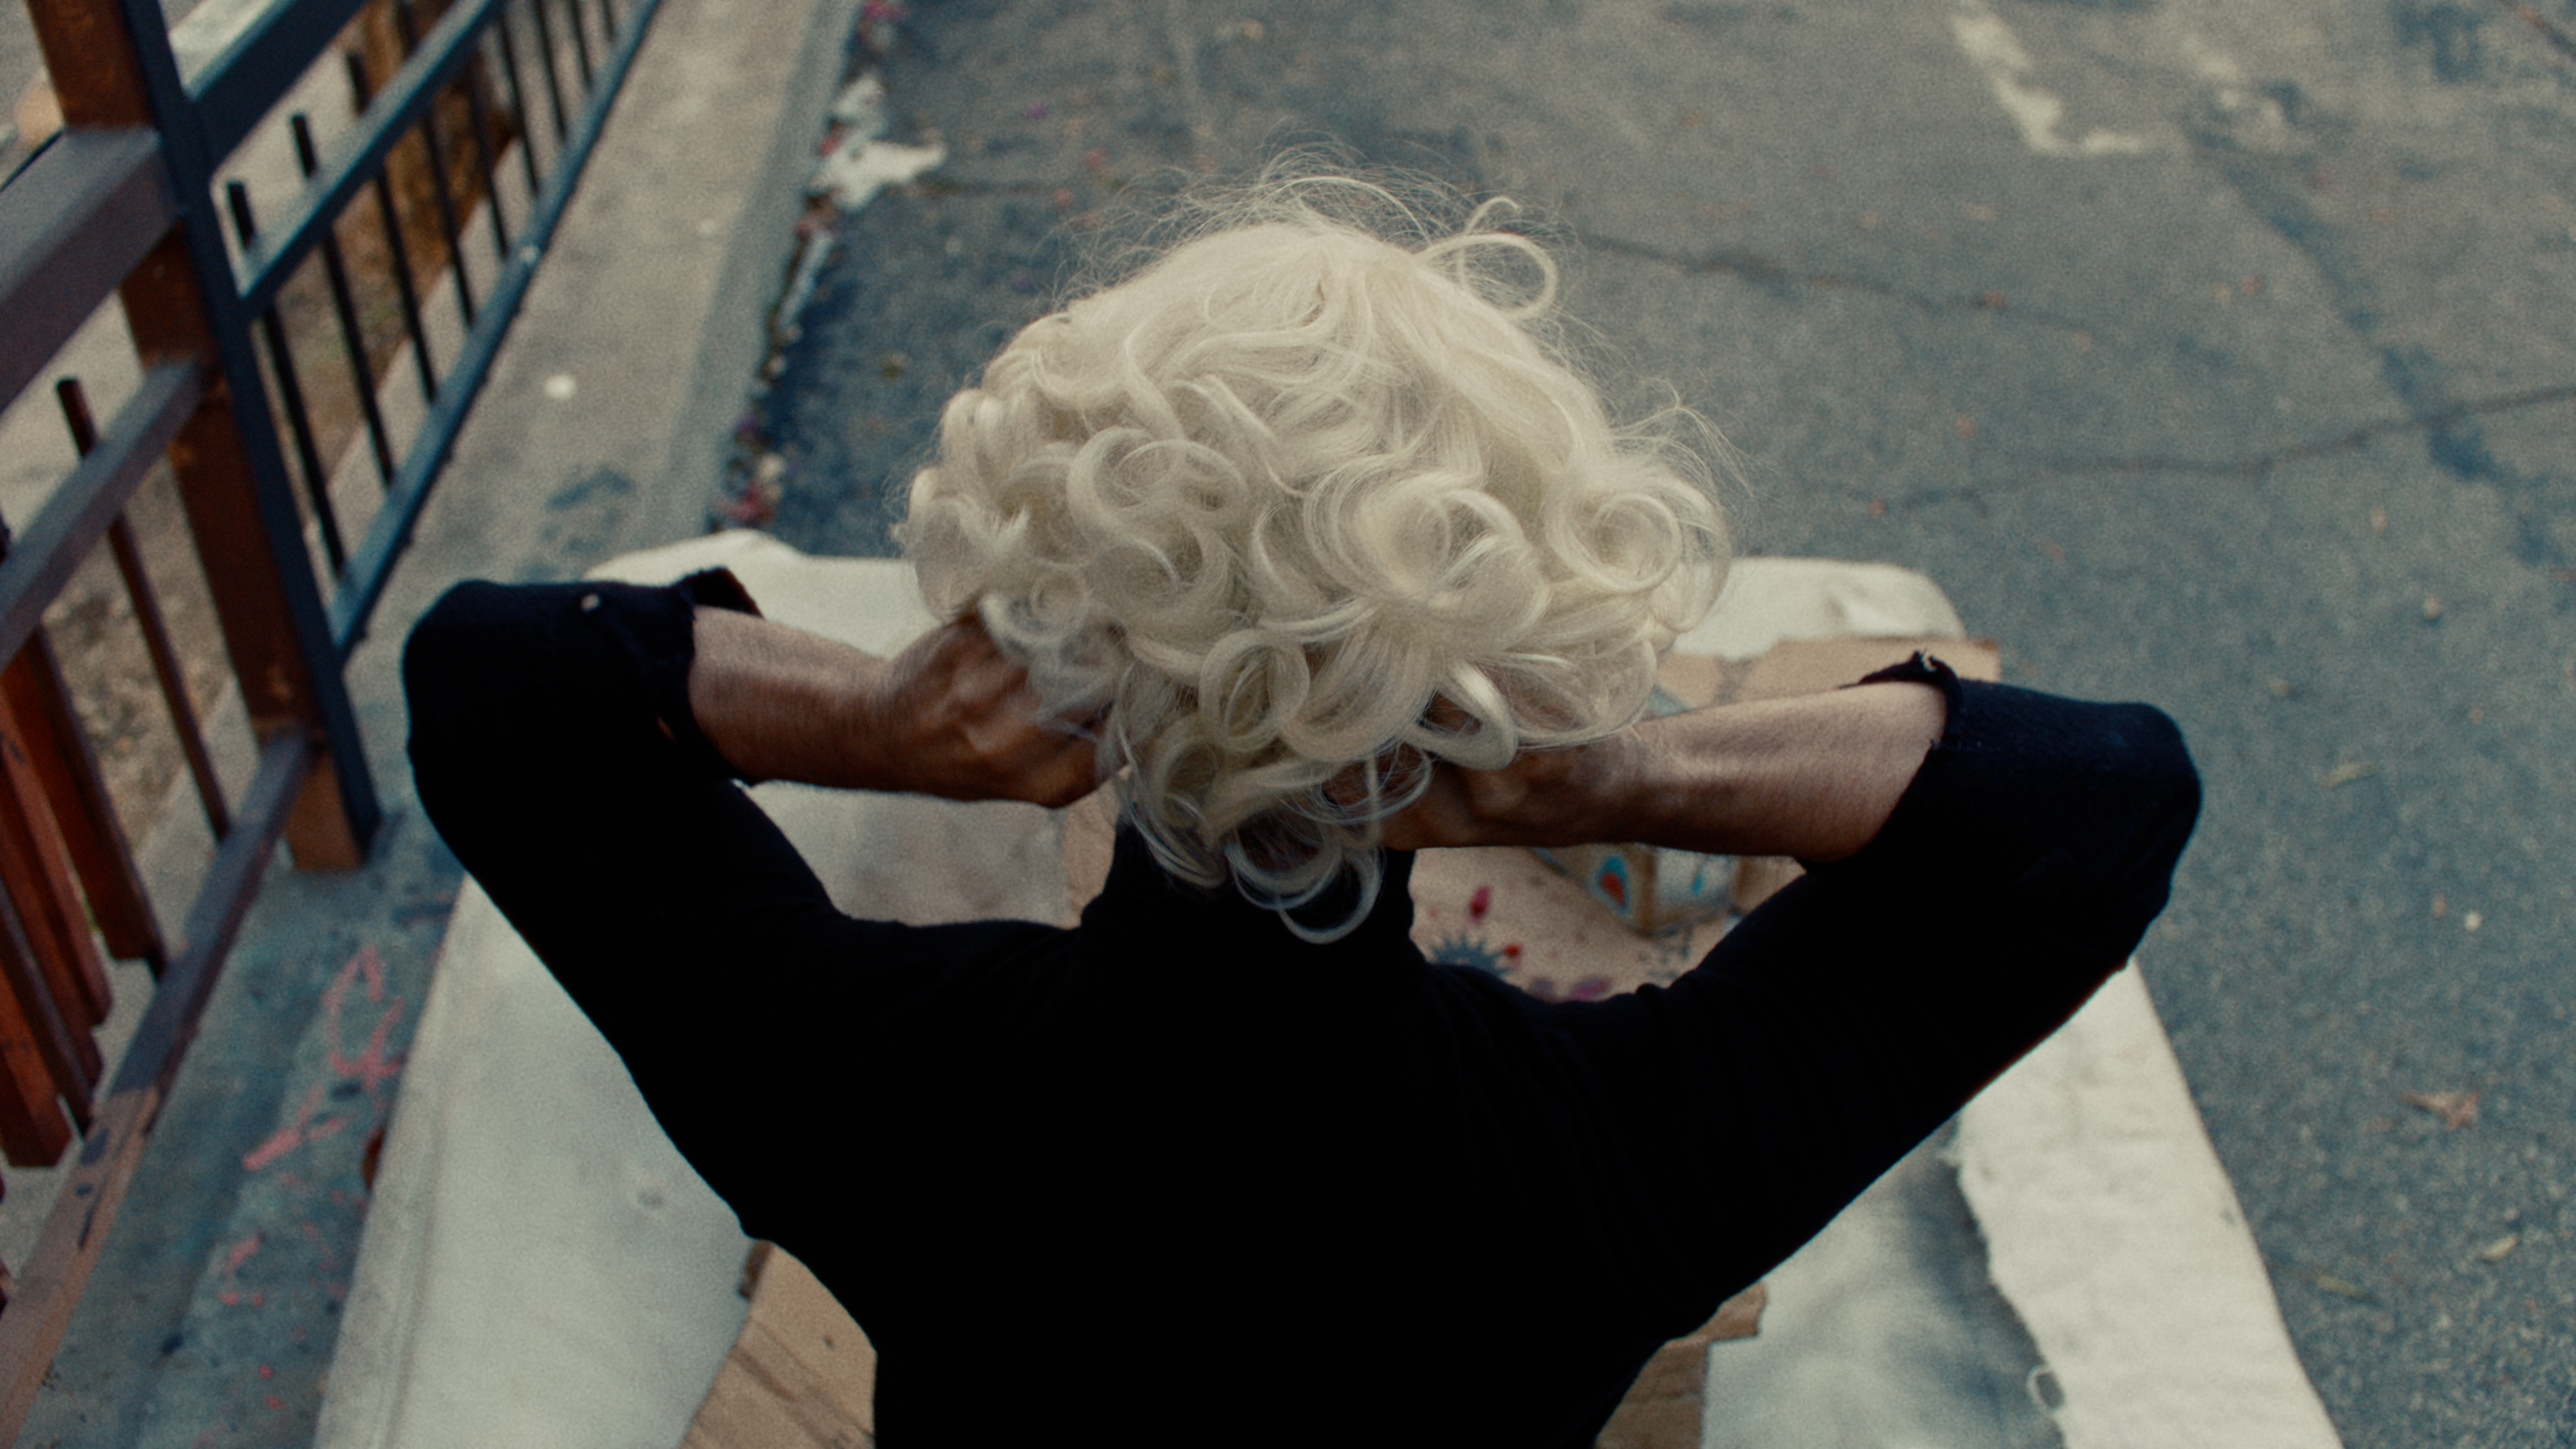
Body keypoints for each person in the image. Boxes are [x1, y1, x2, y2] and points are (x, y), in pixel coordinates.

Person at [404, 175, 2198, 1447]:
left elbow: (490, 693)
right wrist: (1600, 769)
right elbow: (2097, 801)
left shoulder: (876, 1088)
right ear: (1500, 641)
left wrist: (884, 722)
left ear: (1055, 621)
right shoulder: (1611, 1165)